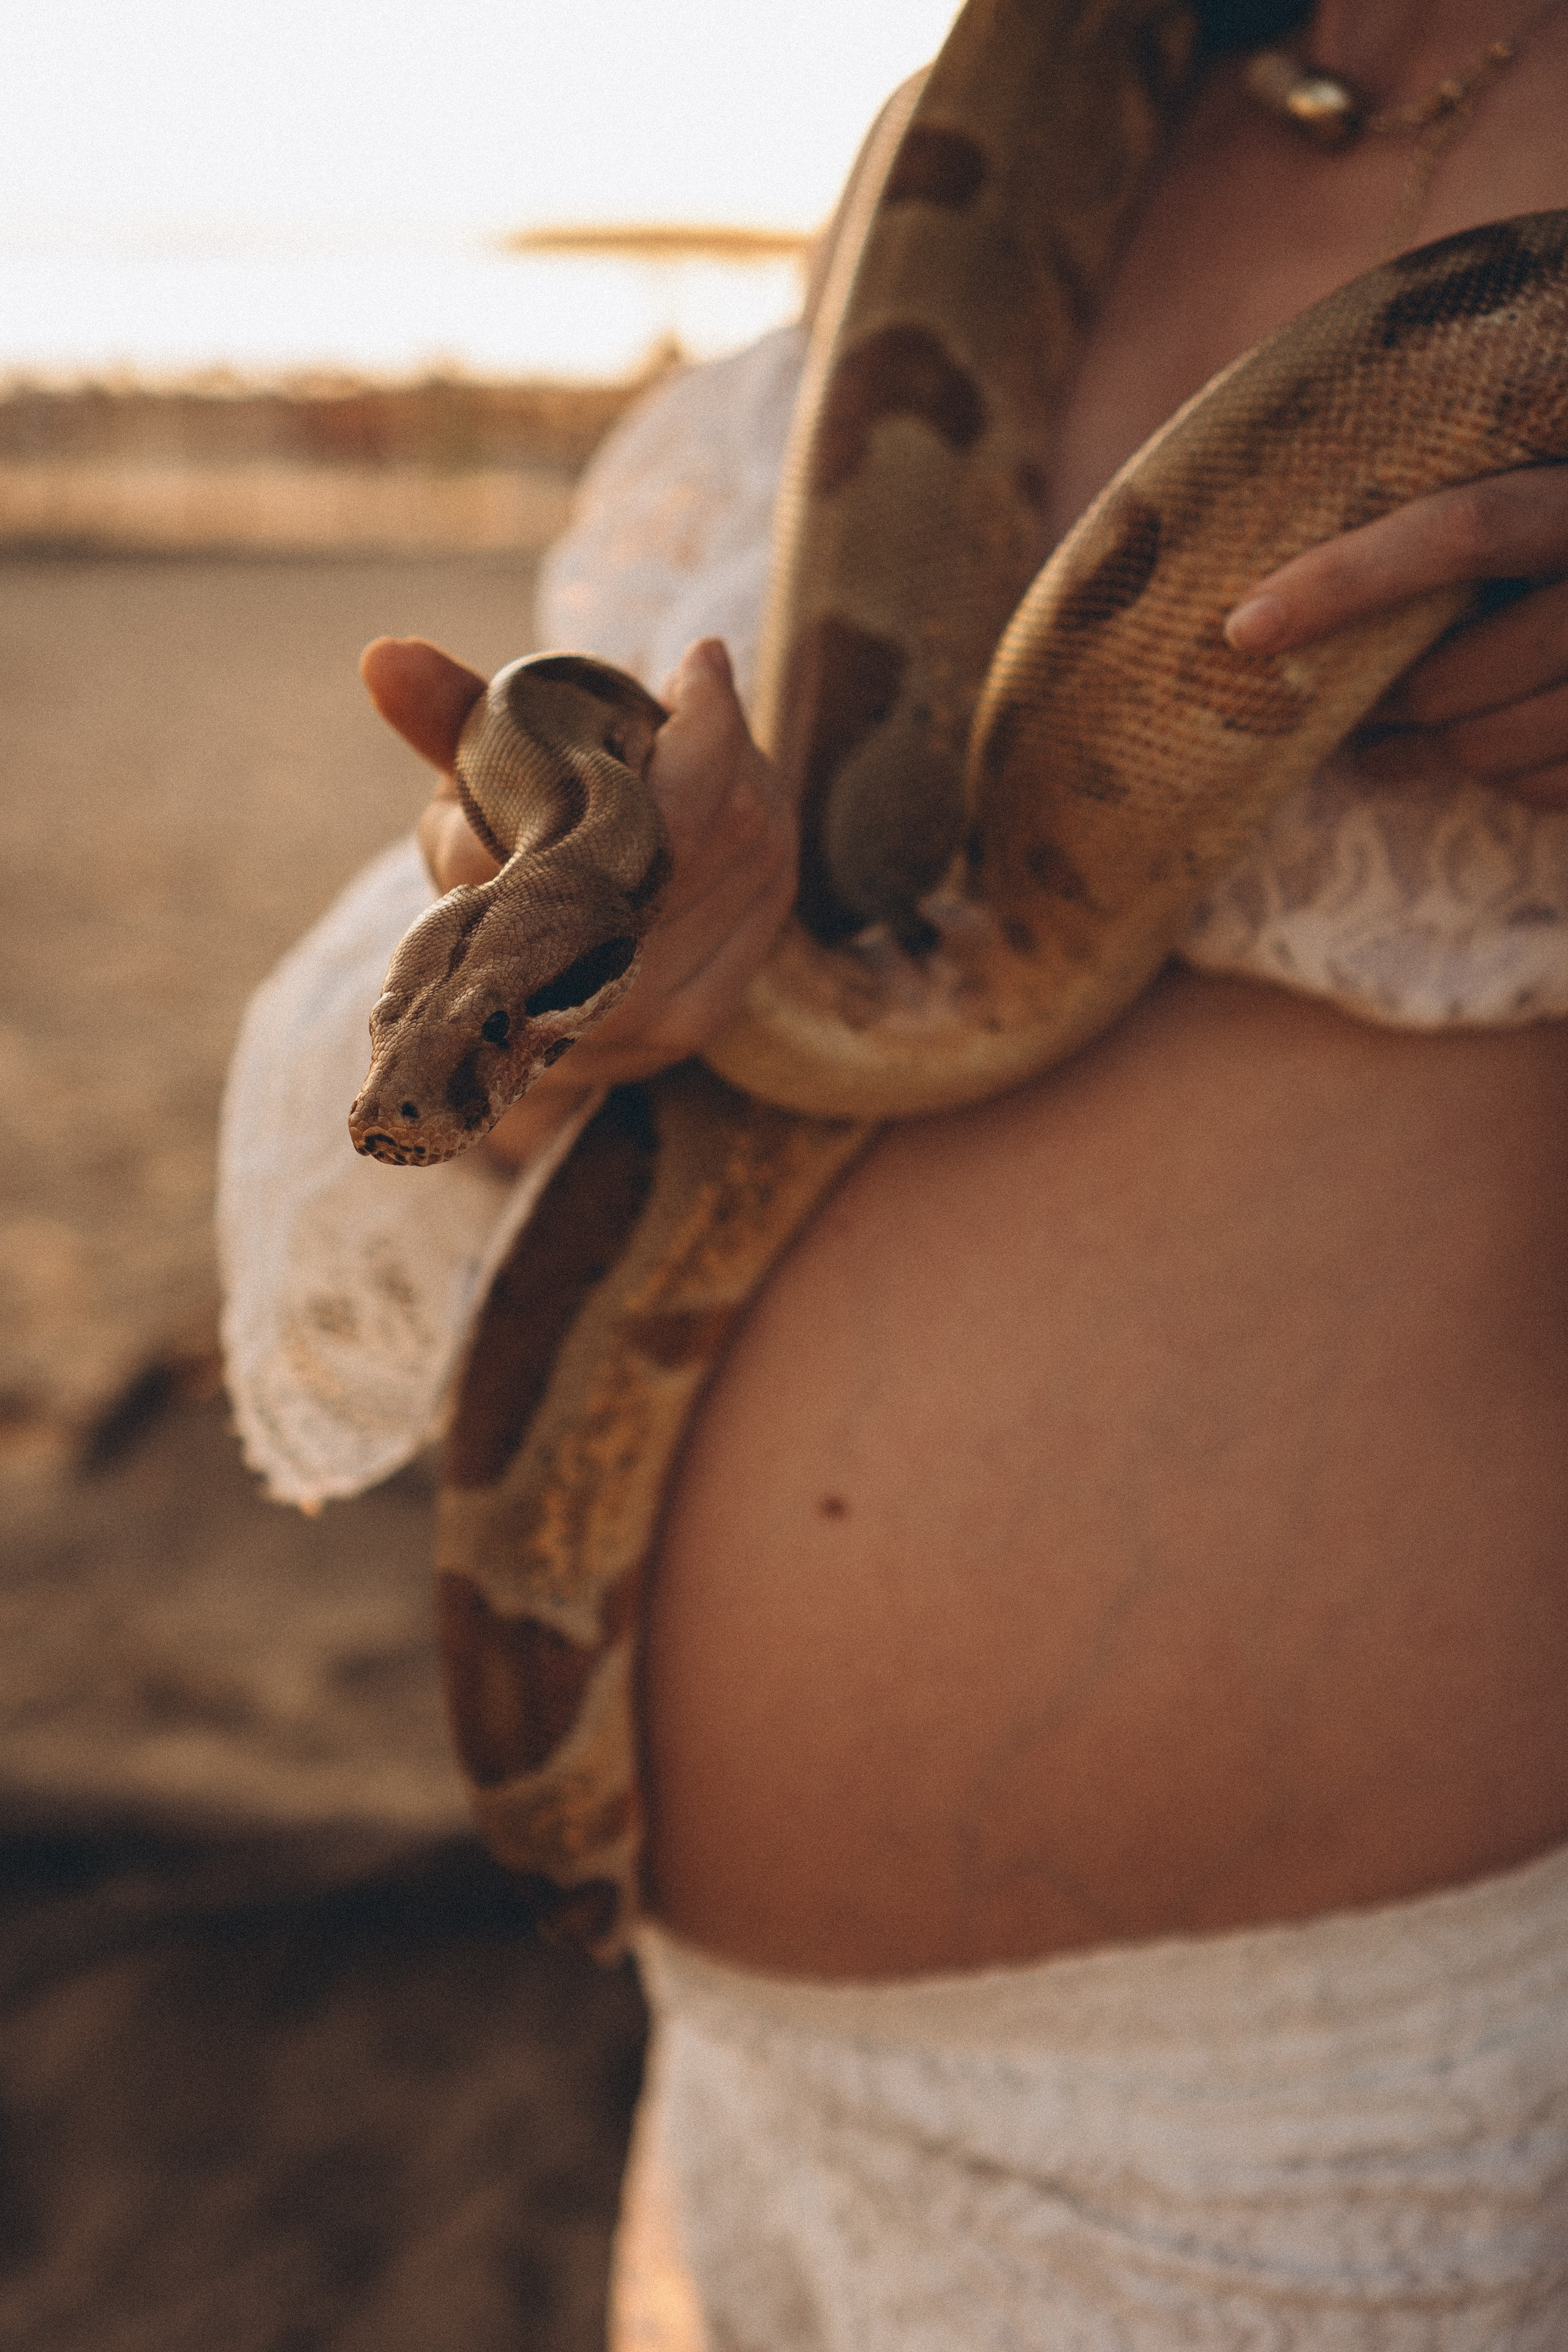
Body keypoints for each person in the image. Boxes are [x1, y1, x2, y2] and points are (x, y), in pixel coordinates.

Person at [222, 1, 1568, 2338]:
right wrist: (632, 914)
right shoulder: (982, 132)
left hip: (1337, 2131)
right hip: (749, 2105)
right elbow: (610, 975)